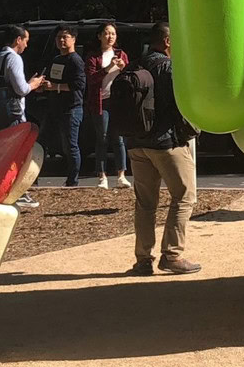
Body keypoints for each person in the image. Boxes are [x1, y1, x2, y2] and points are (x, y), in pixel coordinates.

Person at [128, 22, 201, 275]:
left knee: (145, 203)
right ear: (168, 42)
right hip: (166, 143)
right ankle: (172, 255)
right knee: (184, 196)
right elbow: (180, 105)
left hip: (137, 144)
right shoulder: (168, 68)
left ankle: (142, 260)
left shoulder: (134, 65)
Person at [0, 25, 47, 207]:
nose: (27, 45)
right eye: (26, 40)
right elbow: (22, 89)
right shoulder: (14, 59)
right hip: (13, 115)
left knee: (2, 156)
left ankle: (0, 191)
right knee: (18, 155)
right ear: (18, 40)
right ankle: (17, 193)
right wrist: (34, 83)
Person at [37, 26, 87, 187]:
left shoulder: (76, 60)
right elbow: (51, 80)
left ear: (73, 39)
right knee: (41, 143)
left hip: (71, 109)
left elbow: (79, 85)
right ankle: (34, 178)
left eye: (65, 37)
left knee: (70, 146)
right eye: (58, 37)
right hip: (53, 108)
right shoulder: (56, 59)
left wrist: (55, 87)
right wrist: (43, 86)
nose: (61, 40)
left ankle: (72, 181)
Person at [84, 23, 131, 190]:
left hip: (117, 102)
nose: (110, 37)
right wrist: (109, 67)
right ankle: (102, 176)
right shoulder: (93, 56)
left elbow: (129, 77)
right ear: (99, 36)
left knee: (119, 139)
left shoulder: (121, 54)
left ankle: (121, 175)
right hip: (100, 102)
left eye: (113, 34)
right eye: (106, 33)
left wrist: (123, 67)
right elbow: (91, 79)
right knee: (102, 138)